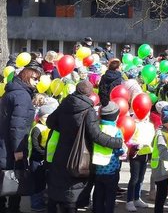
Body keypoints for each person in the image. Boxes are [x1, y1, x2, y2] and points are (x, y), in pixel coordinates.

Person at [46, 81, 124, 213]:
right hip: (80, 153)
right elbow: (95, 134)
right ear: (89, 93)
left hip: (61, 151)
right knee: (73, 186)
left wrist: (66, 130)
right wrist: (116, 142)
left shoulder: (64, 104)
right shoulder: (88, 110)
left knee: (62, 185)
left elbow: (50, 122)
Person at [0, 67, 40, 213]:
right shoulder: (22, 95)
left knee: (3, 178)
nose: (37, 82)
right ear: (26, 76)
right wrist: (18, 150)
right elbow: (17, 126)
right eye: (35, 78)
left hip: (4, 143)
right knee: (15, 179)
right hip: (12, 146)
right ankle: (13, 209)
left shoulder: (10, 92)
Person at [92, 102, 125, 213]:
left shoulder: (96, 128)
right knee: (110, 197)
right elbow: (118, 150)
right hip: (111, 170)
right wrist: (123, 152)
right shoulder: (116, 131)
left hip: (97, 169)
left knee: (98, 196)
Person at [126, 94, 156, 211]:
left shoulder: (149, 125)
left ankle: (137, 198)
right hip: (136, 153)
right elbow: (128, 138)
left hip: (146, 153)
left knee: (141, 177)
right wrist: (135, 144)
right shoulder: (134, 124)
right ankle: (129, 200)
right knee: (134, 178)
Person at [29, 102, 55, 212]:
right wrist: (45, 153)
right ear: (40, 117)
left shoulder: (48, 127)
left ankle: (42, 200)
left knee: (44, 182)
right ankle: (36, 204)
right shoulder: (37, 128)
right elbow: (35, 145)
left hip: (45, 159)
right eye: (45, 116)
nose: (47, 118)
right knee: (37, 183)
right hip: (37, 159)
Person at [152, 105, 168, 213]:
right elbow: (162, 153)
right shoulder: (160, 134)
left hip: (165, 168)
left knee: (163, 192)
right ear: (165, 122)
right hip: (160, 169)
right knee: (161, 194)